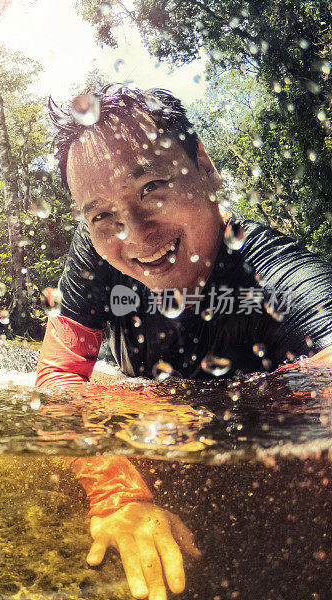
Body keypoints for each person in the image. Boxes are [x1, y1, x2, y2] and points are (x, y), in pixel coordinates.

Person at [37, 84, 332, 600]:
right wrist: (115, 494)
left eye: (151, 187)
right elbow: (59, 376)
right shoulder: (92, 255)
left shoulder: (276, 275)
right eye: (101, 214)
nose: (134, 234)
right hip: (139, 392)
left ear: (206, 168)